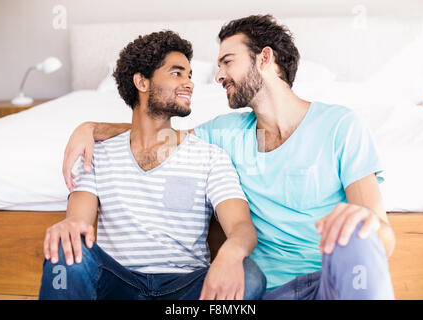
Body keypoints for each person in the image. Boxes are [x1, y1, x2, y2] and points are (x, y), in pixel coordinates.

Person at [62, 15, 396, 299]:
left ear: (264, 59)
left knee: (361, 239)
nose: (218, 76)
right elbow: (156, 134)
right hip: (266, 290)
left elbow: (381, 233)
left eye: (227, 62)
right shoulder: (224, 133)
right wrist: (91, 128)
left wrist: (367, 231)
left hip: (331, 283)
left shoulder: (340, 125)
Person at [39, 30, 266, 300]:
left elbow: (242, 227)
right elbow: (78, 222)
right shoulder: (97, 153)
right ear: (141, 82)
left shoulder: (210, 156)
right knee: (66, 249)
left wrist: (231, 252)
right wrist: (68, 226)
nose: (189, 84)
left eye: (190, 75)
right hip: (119, 284)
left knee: (250, 276)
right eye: (176, 73)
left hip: (185, 289)